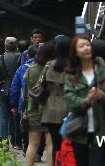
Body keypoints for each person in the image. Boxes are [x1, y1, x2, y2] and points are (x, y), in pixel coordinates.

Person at [64, 35, 105, 166]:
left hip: (102, 129)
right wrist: (86, 101)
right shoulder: (71, 73)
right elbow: (69, 100)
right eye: (81, 46)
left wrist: (101, 96)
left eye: (88, 45)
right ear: (75, 51)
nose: (86, 48)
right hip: (80, 130)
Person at [24, 42, 55, 166]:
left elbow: (26, 88)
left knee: (32, 144)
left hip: (33, 108)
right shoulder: (54, 68)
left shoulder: (31, 69)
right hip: (50, 109)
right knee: (50, 145)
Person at [42, 36, 71, 166]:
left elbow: (41, 84)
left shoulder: (49, 65)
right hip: (69, 108)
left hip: (51, 107)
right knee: (69, 143)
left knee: (56, 143)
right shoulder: (74, 66)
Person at [11, 45, 36, 151]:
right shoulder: (45, 67)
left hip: (24, 100)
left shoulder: (22, 68)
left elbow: (15, 88)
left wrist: (13, 104)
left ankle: (26, 147)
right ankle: (38, 149)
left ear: (27, 55)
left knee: (25, 122)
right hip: (40, 100)